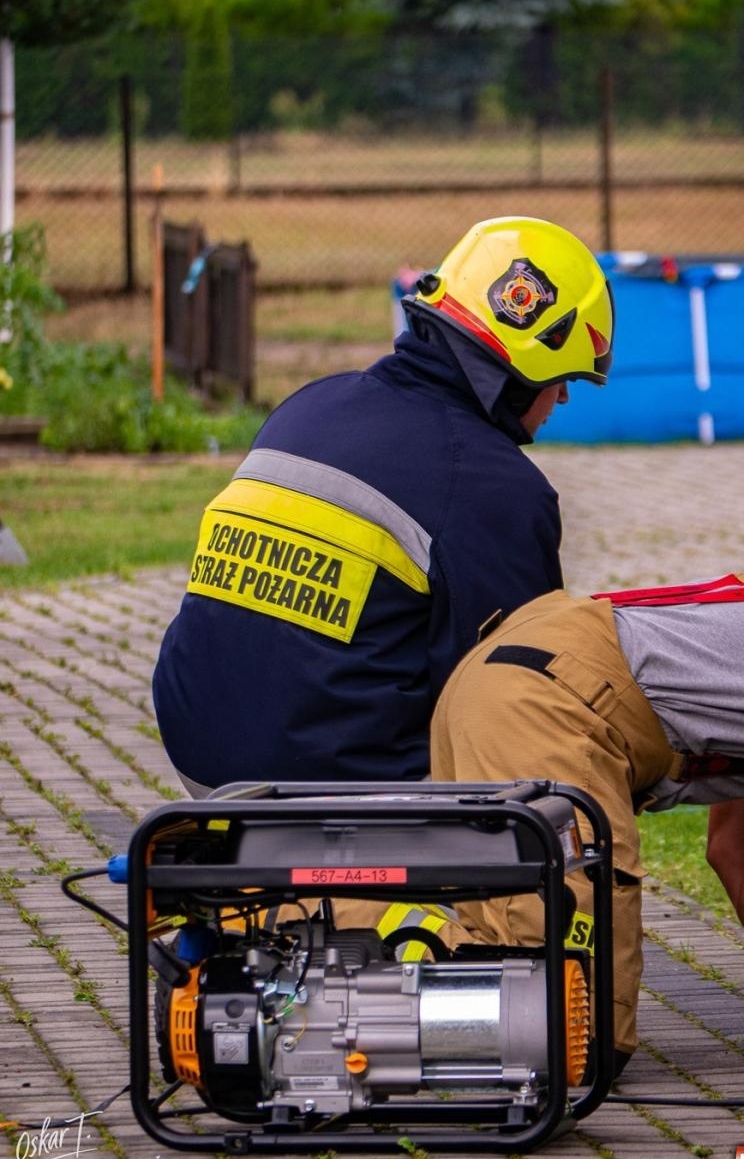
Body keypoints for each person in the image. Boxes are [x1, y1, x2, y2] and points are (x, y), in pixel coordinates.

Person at [152, 216, 615, 794]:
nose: (565, 396)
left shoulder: (309, 403)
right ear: (531, 361)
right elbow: (515, 695)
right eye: (565, 376)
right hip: (338, 790)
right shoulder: (498, 487)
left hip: (198, 759)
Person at [428, 572, 744, 1069]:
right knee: (572, 1041)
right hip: (546, 699)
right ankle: (360, 981)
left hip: (510, 664)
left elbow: (741, 850)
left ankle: (365, 962)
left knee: (493, 930)